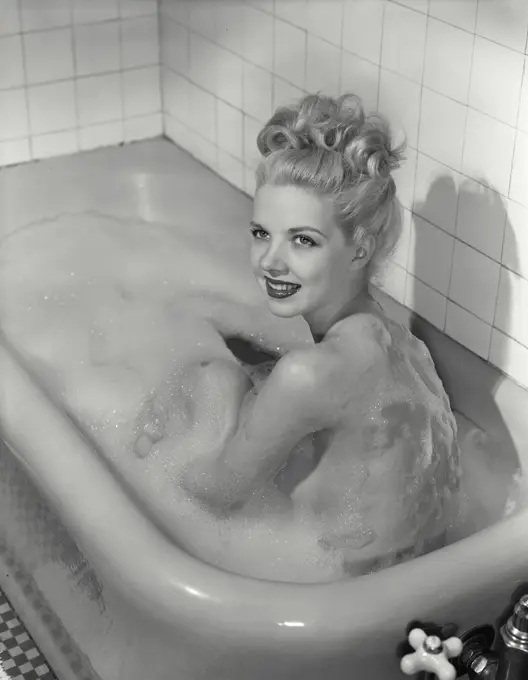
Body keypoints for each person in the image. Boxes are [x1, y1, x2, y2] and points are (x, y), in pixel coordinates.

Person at [138, 93, 461, 574]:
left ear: (359, 250)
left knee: (212, 380)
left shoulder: (310, 375)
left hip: (344, 595)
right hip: (423, 576)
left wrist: (151, 455)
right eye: (261, 233)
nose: (270, 260)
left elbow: (217, 496)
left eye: (303, 240)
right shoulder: (404, 345)